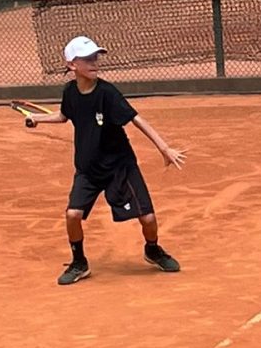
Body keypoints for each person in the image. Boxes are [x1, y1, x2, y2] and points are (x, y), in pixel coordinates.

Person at [22, 36, 185, 283]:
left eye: (95, 57)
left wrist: (164, 148)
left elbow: (136, 119)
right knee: (73, 215)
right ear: (72, 65)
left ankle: (152, 249)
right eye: (87, 59)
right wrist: (37, 118)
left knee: (148, 218)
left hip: (120, 167)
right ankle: (79, 262)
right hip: (88, 169)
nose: (94, 62)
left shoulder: (107, 93)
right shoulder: (70, 92)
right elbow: (64, 115)